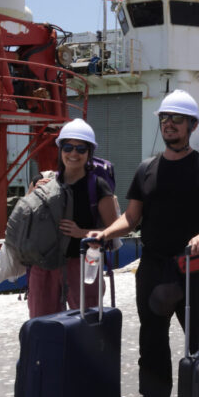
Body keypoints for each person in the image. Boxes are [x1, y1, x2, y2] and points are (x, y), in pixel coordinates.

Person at [89, 90, 199, 397]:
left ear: (192, 126)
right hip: (152, 267)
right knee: (151, 339)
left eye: (176, 120)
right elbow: (131, 218)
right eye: (164, 119)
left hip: (192, 267)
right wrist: (104, 233)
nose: (169, 124)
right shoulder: (146, 169)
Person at [27, 119, 119, 318]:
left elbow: (114, 230)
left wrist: (81, 233)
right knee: (43, 325)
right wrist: (33, 193)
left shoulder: (98, 186)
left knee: (88, 324)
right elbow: (24, 223)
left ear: (89, 153)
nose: (74, 154)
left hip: (84, 263)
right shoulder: (42, 182)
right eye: (68, 147)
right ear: (60, 150)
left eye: (81, 149)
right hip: (44, 265)